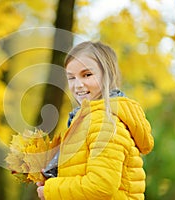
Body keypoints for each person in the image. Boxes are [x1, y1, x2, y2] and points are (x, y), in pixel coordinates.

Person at [36, 41, 154, 200]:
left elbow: (101, 186)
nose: (78, 85)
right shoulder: (86, 119)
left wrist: (51, 190)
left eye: (87, 75)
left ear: (108, 75)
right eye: (71, 77)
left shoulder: (104, 121)